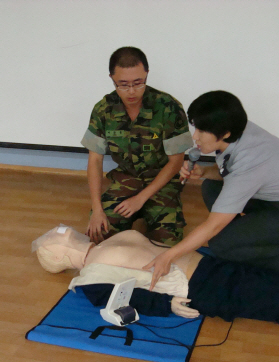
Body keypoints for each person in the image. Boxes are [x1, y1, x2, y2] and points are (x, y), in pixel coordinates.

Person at [33, 226, 279, 335]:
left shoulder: (110, 240)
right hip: (201, 289)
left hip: (209, 265)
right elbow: (119, 301)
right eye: (60, 239)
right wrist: (167, 305)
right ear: (60, 259)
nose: (69, 234)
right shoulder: (89, 279)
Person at [144, 91, 279, 290]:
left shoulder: (250, 157)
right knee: (211, 186)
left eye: (202, 130)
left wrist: (168, 256)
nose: (195, 136)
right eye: (196, 128)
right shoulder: (235, 129)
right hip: (268, 197)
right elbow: (229, 171)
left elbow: (214, 225)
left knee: (220, 243)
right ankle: (241, 241)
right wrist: (204, 171)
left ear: (225, 133)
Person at [81, 47, 194, 246]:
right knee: (100, 235)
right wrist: (97, 209)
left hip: (161, 180)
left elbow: (176, 162)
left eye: (138, 83)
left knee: (167, 242)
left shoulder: (168, 107)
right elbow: (95, 160)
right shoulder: (103, 109)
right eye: (123, 85)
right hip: (126, 179)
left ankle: (149, 212)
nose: (132, 91)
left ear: (147, 75)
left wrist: (140, 199)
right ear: (112, 78)